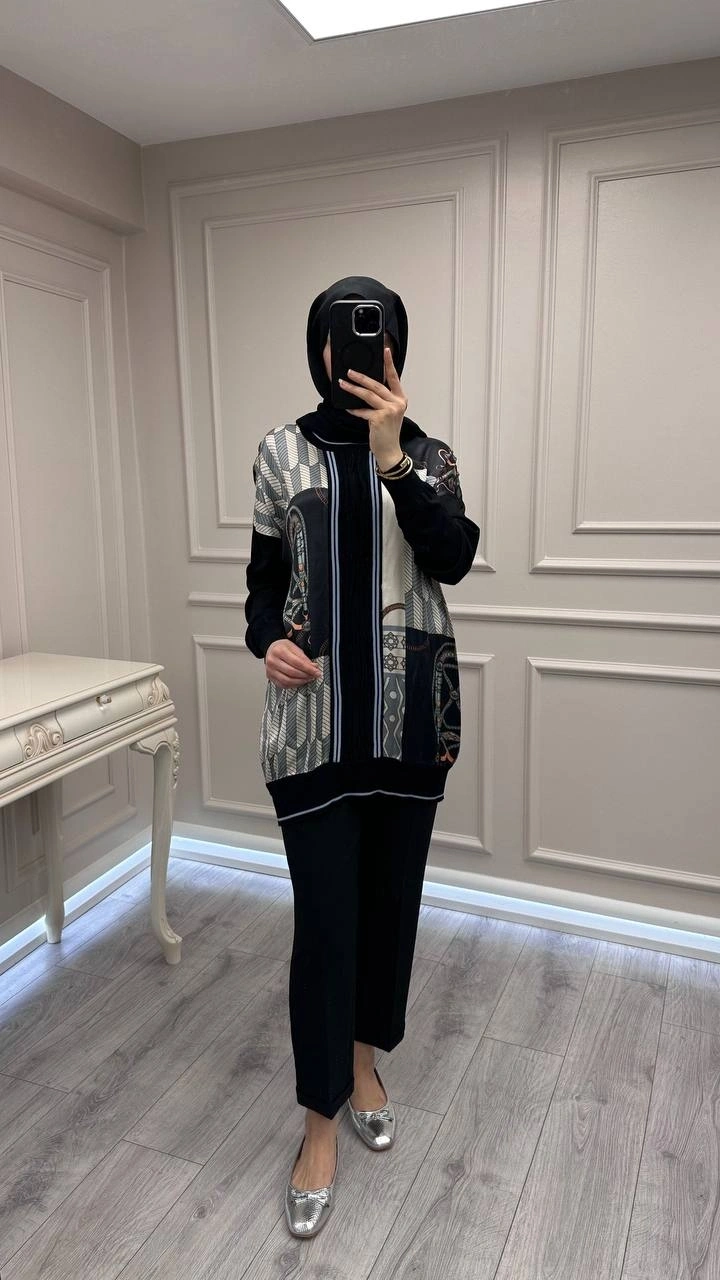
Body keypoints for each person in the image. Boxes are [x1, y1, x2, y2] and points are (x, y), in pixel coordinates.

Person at [244, 275, 480, 1237]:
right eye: (340, 336)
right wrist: (268, 639)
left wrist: (392, 459)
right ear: (320, 350)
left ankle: (365, 1062)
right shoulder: (279, 452)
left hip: (409, 726)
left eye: (375, 336)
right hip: (312, 732)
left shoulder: (430, 457)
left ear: (397, 351)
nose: (355, 351)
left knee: (388, 911)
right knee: (325, 926)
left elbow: (452, 557)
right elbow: (263, 586)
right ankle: (318, 1121)